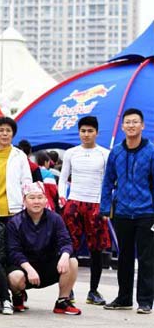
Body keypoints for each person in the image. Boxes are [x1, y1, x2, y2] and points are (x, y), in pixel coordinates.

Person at [100, 108, 154, 314]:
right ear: (122, 126)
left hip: (147, 212)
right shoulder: (116, 152)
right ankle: (124, 298)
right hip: (122, 212)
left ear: (142, 125)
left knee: (147, 258)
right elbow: (108, 182)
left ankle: (145, 301)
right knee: (124, 257)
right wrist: (105, 207)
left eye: (135, 122)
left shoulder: (151, 151)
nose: (131, 125)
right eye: (128, 122)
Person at [58, 116, 111, 306]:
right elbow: (63, 177)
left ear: (97, 132)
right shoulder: (71, 153)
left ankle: (93, 291)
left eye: (90, 131)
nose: (86, 134)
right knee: (69, 247)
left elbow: (109, 181)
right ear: (79, 132)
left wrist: (106, 204)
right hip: (74, 202)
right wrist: (62, 197)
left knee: (96, 249)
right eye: (83, 131)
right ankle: (68, 289)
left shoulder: (105, 154)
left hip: (95, 204)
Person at [7, 182, 81, 315]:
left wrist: (64, 256)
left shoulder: (55, 218)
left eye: (40, 197)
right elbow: (14, 251)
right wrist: (29, 269)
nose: (36, 201)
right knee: (15, 277)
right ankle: (18, 296)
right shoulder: (15, 222)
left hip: (47, 265)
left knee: (72, 261)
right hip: (25, 268)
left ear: (46, 199)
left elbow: (66, 241)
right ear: (24, 200)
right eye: (32, 198)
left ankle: (62, 301)